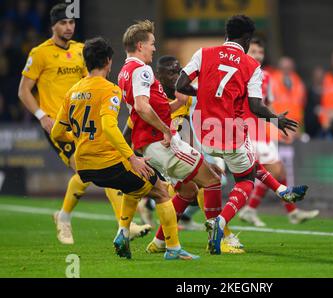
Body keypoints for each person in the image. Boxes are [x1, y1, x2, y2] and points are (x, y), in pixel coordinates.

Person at [50, 37, 198, 261]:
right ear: (108, 61)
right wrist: (132, 157)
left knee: (133, 186)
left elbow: (57, 134)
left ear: (86, 62)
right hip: (109, 163)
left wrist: (81, 139)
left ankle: (123, 233)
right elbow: (109, 126)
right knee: (160, 190)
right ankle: (173, 249)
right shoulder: (110, 90)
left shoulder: (73, 91)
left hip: (83, 167)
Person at [18, 3, 150, 245]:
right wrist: (41, 116)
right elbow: (23, 91)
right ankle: (67, 217)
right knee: (88, 167)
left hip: (82, 120)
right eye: (63, 23)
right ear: (53, 25)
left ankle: (118, 224)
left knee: (102, 164)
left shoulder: (82, 50)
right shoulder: (40, 54)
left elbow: (89, 83)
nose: (69, 27)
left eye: (72, 22)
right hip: (58, 124)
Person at [176, 15, 307, 255]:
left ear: (226, 34)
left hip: (203, 131)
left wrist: (201, 93)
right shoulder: (251, 66)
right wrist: (276, 120)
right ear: (246, 39)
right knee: (246, 180)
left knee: (228, 173)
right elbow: (256, 106)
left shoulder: (203, 53)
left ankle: (281, 191)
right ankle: (220, 223)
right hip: (230, 131)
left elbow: (180, 83)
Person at [117, 20, 227, 255]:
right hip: (161, 141)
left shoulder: (124, 71)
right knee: (212, 181)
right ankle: (218, 239)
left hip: (151, 145)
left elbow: (136, 111)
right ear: (139, 45)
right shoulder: (142, 70)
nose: (154, 48)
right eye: (151, 44)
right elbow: (142, 107)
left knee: (186, 191)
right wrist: (166, 130)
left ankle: (160, 243)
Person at [239, 38, 319, 226]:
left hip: (263, 130)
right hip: (248, 130)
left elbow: (269, 104)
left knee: (278, 171)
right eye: (253, 51)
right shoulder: (241, 74)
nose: (258, 55)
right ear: (245, 53)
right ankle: (249, 210)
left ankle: (286, 212)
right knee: (273, 171)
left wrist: (279, 125)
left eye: (261, 52)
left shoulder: (266, 77)